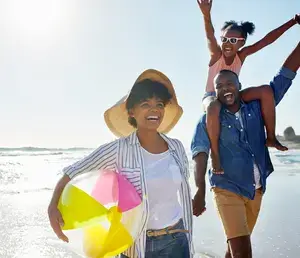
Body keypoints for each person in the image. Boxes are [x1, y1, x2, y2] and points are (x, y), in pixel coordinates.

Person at [47, 69, 194, 258]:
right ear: (131, 111)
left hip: (177, 239)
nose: (154, 110)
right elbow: (74, 171)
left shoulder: (176, 147)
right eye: (145, 104)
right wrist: (53, 207)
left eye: (159, 104)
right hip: (136, 245)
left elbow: (178, 188)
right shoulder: (118, 150)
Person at [191, 41, 300, 258]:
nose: (225, 89)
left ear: (239, 85)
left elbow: (285, 75)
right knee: (242, 252)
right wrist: (200, 190)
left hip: (255, 190)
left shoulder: (258, 107)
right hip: (226, 187)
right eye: (219, 86)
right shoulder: (209, 119)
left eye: (229, 84)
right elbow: (200, 154)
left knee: (234, 249)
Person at [197, 0, 300, 172]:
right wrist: (206, 15)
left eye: (233, 40)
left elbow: (266, 41)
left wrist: (292, 22)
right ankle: (215, 156)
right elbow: (209, 35)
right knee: (214, 106)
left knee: (266, 91)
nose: (227, 43)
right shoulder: (217, 55)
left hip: (233, 94)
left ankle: (271, 137)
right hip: (212, 96)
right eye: (224, 39)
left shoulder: (241, 55)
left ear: (241, 43)